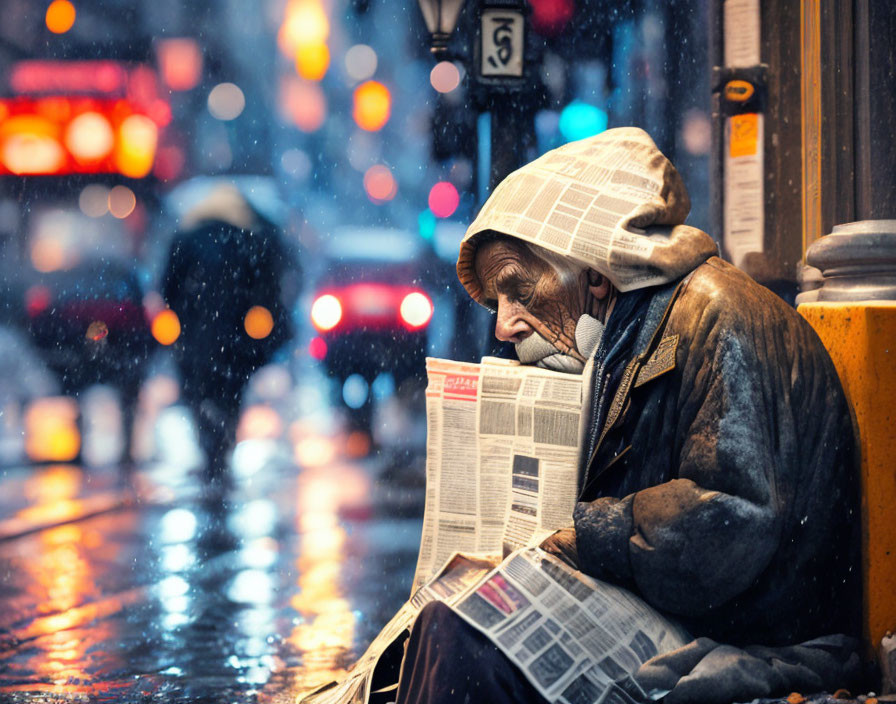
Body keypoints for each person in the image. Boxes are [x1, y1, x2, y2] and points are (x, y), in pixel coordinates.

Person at [392, 128, 861, 703]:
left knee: (462, 639)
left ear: (594, 273)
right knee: (438, 622)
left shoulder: (717, 312)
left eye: (520, 293)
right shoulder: (627, 336)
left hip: (745, 629)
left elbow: (732, 514)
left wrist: (594, 537)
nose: (504, 325)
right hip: (682, 609)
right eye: (497, 303)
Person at [161, 184, 296, 470]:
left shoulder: (187, 238)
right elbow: (267, 289)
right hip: (235, 338)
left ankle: (209, 441)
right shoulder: (250, 237)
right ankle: (222, 441)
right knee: (230, 389)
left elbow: (168, 288)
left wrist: (183, 319)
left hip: (196, 335)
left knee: (199, 389)